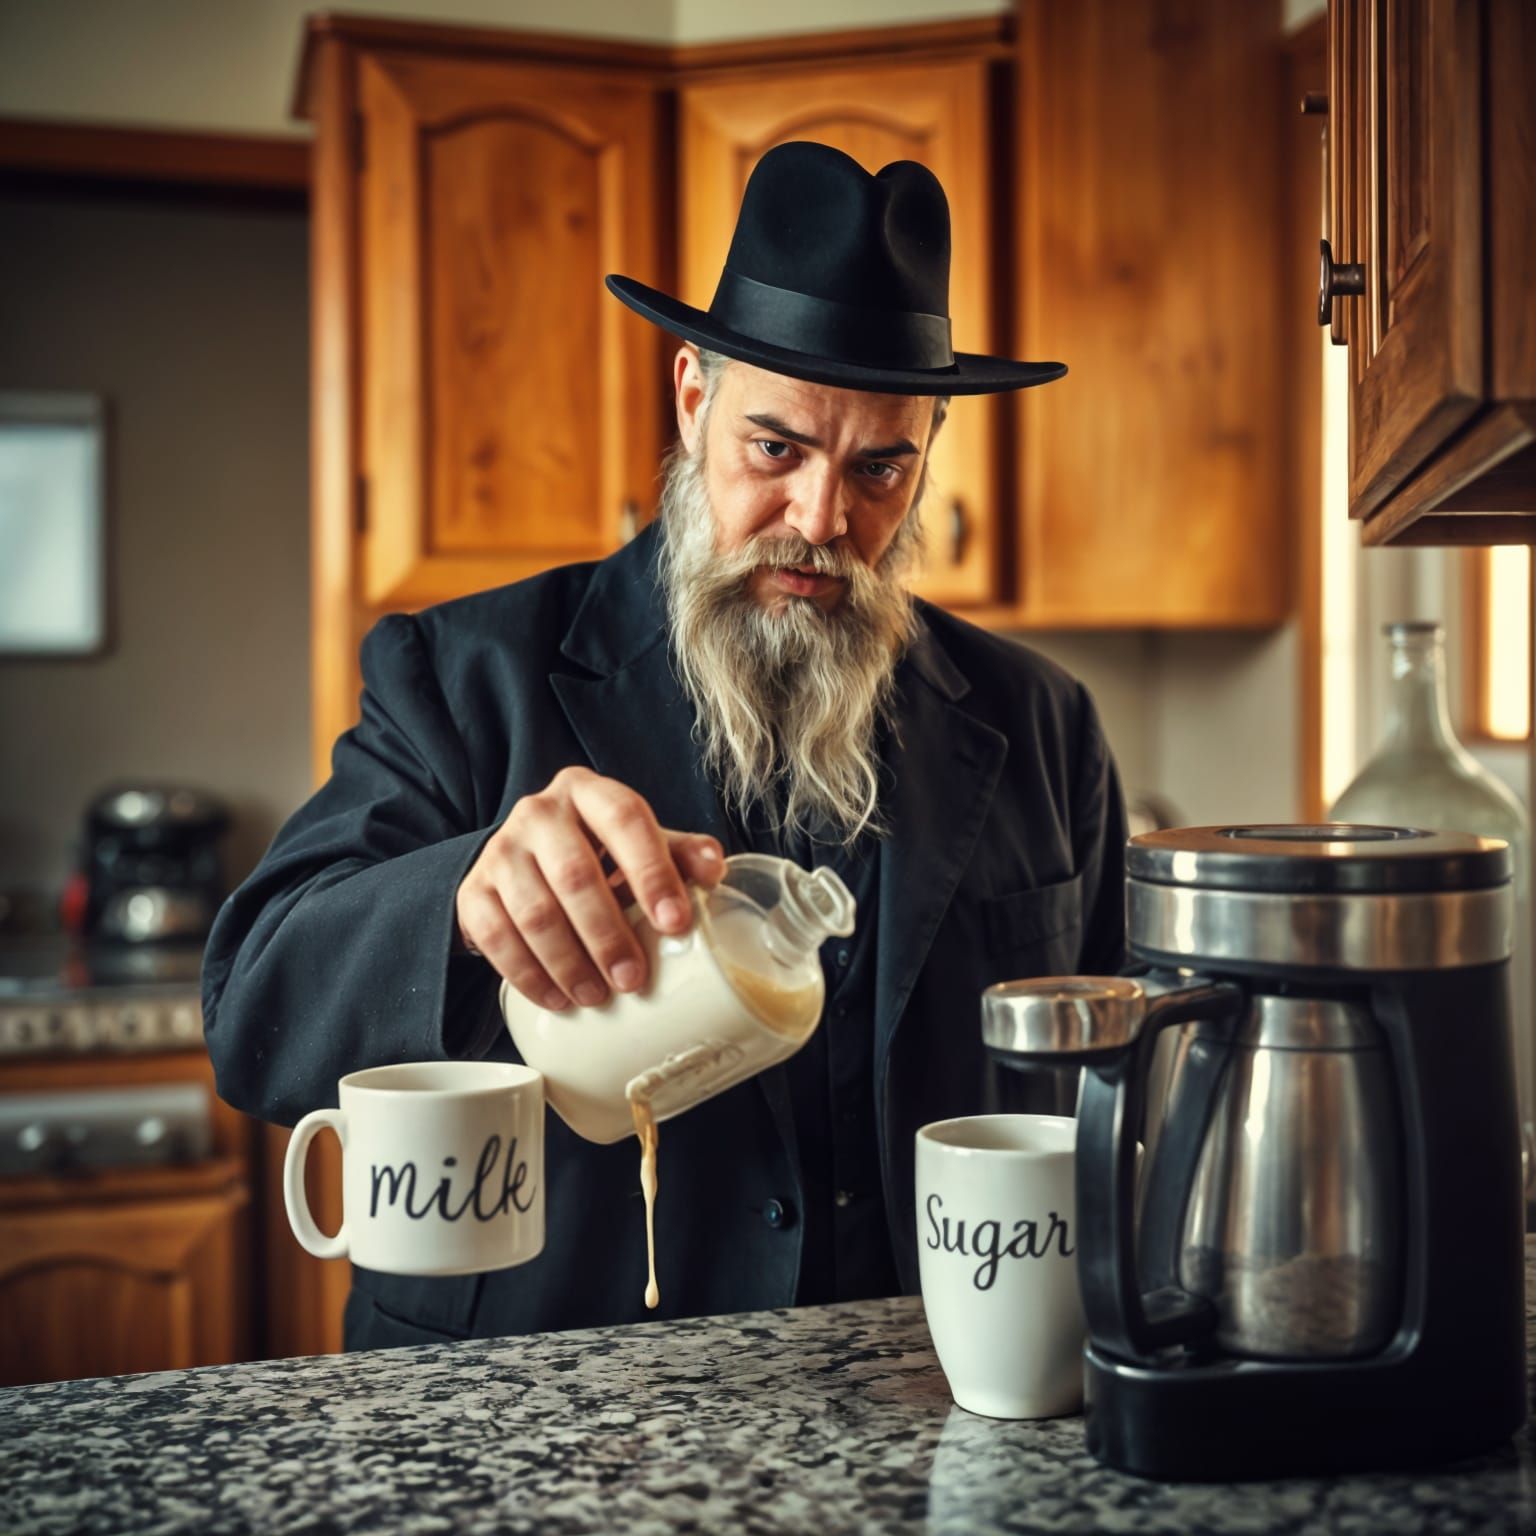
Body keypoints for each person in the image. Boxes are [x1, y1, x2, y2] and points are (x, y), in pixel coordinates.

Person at [202, 140, 1129, 1351]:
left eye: (879, 468)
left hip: (936, 1401)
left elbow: (1126, 1080)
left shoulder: (1042, 722)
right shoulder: (465, 674)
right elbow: (254, 1008)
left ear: (929, 450)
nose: (821, 520)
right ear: (693, 399)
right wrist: (465, 896)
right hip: (541, 1411)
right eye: (776, 447)